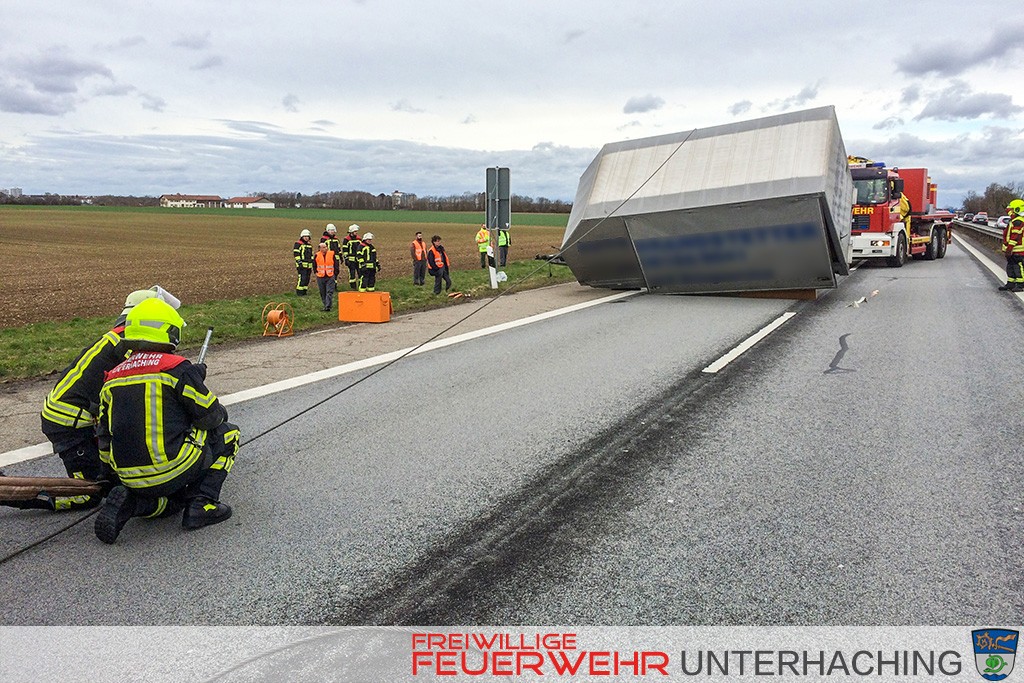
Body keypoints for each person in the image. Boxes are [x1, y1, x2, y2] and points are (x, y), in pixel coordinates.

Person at [7, 288, 181, 513]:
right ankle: (15, 496)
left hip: (72, 415)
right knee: (88, 493)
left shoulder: (118, 336)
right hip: (70, 423)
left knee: (112, 476)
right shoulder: (129, 344)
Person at [94, 298, 239, 544]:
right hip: (172, 467)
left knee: (172, 505)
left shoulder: (112, 377)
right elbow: (211, 417)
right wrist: (195, 380)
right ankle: (202, 505)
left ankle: (134, 504)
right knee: (228, 434)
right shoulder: (175, 369)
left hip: (128, 476)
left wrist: (111, 477)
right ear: (168, 331)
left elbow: (104, 436)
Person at [999, 198, 1024, 291]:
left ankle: (1020, 285)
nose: (1009, 213)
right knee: (1011, 266)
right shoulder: (1015, 220)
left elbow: (1015, 237)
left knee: (1018, 267)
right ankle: (1011, 283)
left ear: (1017, 210)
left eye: (1011, 210)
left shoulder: (1018, 221)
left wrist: (1009, 249)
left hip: (1018, 250)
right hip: (1013, 250)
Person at [314, 241, 340, 311]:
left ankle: (328, 306)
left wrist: (336, 272)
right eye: (323, 247)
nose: (325, 248)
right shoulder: (317, 255)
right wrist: (316, 272)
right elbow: (314, 264)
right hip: (320, 276)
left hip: (330, 275)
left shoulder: (332, 254)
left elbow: (336, 263)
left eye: (325, 247)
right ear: (320, 248)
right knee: (322, 292)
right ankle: (325, 305)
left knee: (329, 292)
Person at [293, 229, 314, 296]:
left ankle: (304, 291)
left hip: (308, 265)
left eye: (307, 236)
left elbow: (311, 254)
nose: (306, 238)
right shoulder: (298, 244)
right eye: (305, 236)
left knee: (307, 279)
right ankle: (299, 292)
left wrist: (313, 261)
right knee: (302, 278)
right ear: (302, 237)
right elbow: (296, 253)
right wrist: (299, 262)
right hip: (301, 265)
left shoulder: (309, 245)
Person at [342, 224, 361, 290]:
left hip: (358, 259)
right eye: (355, 231)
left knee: (360, 273)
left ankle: (360, 286)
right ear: (351, 232)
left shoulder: (359, 239)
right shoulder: (346, 239)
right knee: (352, 274)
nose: (356, 233)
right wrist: (346, 258)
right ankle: (353, 287)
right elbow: (345, 250)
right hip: (351, 260)